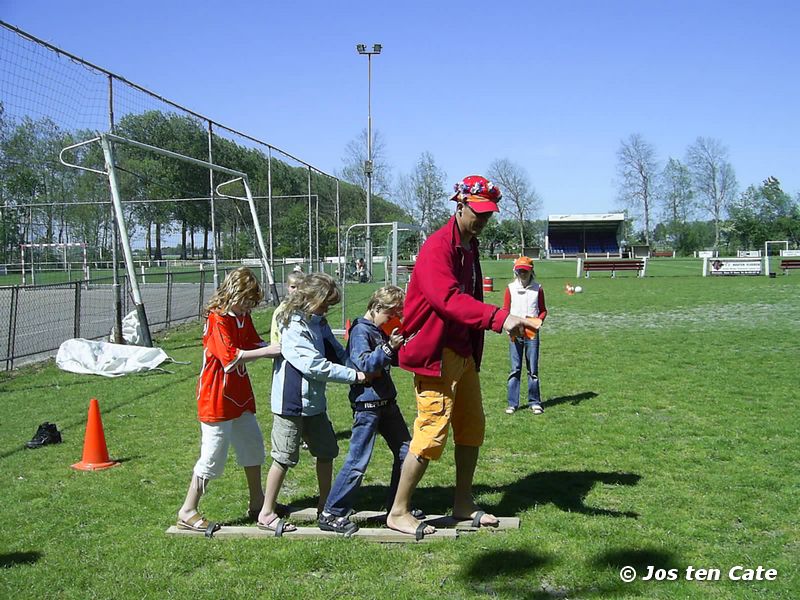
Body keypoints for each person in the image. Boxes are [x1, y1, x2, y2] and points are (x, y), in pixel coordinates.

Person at [386, 175, 535, 539]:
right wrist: (500, 318)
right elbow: (447, 299)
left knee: (471, 428)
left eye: (488, 214)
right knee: (430, 432)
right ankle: (398, 511)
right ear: (459, 205)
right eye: (478, 212)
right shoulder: (438, 246)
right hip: (435, 353)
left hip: (462, 351)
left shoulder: (470, 244)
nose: (483, 219)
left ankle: (463, 503)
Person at [256, 272, 369, 535]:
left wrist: (360, 364)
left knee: (327, 451)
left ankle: (325, 505)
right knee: (284, 458)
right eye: (326, 303)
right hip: (290, 403)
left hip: (314, 403)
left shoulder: (318, 321)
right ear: (311, 298)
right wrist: (355, 376)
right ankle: (266, 512)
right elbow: (313, 365)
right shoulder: (293, 324)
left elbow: (335, 352)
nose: (328, 308)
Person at [176, 267, 282, 535]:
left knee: (253, 447)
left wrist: (279, 346)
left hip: (239, 395)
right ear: (233, 292)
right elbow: (230, 357)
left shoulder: (242, 317)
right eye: (245, 300)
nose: (248, 307)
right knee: (212, 456)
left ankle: (258, 502)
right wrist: (270, 351)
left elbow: (254, 342)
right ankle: (188, 510)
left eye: (251, 303)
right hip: (216, 396)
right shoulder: (217, 318)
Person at [319, 286, 413, 536]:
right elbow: (363, 364)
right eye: (391, 314)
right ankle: (332, 512)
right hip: (368, 406)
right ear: (377, 308)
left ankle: (397, 507)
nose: (394, 319)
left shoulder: (377, 329)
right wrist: (389, 348)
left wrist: (399, 346)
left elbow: (387, 359)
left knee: (407, 453)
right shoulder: (361, 330)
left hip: (386, 402)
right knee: (358, 461)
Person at [503, 256, 548, 415]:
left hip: (532, 333)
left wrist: (539, 321)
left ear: (531, 272)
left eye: (525, 271)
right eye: (520, 271)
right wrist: (508, 326)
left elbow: (543, 310)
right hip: (515, 332)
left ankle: (535, 402)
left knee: (533, 369)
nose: (522, 274)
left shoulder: (538, 289)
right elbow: (505, 311)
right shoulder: (510, 288)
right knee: (515, 368)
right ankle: (512, 403)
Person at [270, 271, 305, 344]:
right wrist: (275, 345)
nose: (296, 290)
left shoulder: (307, 306)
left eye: (300, 287)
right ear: (287, 287)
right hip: (284, 346)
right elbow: (274, 331)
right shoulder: (281, 308)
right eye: (293, 287)